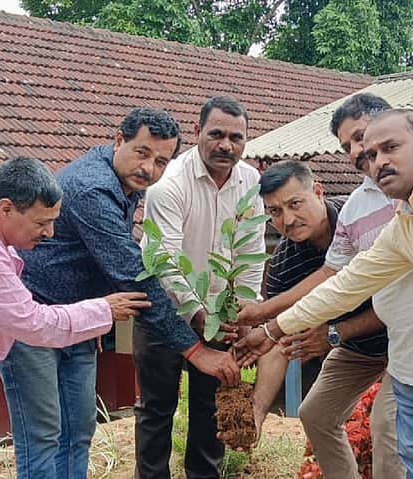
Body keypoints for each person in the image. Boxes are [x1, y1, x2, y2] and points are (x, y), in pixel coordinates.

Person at [237, 108, 413, 463]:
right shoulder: (403, 220)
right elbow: (347, 283)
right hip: (402, 357)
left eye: (389, 147)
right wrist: (270, 329)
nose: (374, 161)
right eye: (367, 153)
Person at [0, 108, 239, 479]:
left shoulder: (125, 185)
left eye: (161, 161)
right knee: (43, 435)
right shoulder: (93, 188)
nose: (149, 168)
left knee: (78, 432)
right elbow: (133, 275)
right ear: (118, 140)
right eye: (142, 153)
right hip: (34, 320)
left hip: (78, 321)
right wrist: (195, 350)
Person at [0, 157, 151, 479]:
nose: (49, 233)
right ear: (6, 209)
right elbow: (32, 322)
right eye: (40, 222)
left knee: (77, 429)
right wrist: (105, 309)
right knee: (40, 435)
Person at [241, 159, 396, 479]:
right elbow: (277, 340)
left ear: (318, 191)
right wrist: (256, 413)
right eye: (275, 212)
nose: (287, 219)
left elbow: (399, 300)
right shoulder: (285, 264)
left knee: (387, 422)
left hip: (406, 337)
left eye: (294, 204)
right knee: (315, 415)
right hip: (360, 348)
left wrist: (336, 333)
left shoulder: (361, 219)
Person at [137, 96, 264, 479]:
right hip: (163, 310)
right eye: (217, 134)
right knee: (157, 408)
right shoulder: (168, 184)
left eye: (236, 137)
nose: (227, 145)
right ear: (197, 133)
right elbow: (165, 263)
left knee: (213, 405)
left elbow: (250, 251)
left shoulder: (251, 182)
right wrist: (197, 315)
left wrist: (245, 312)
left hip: (220, 313)